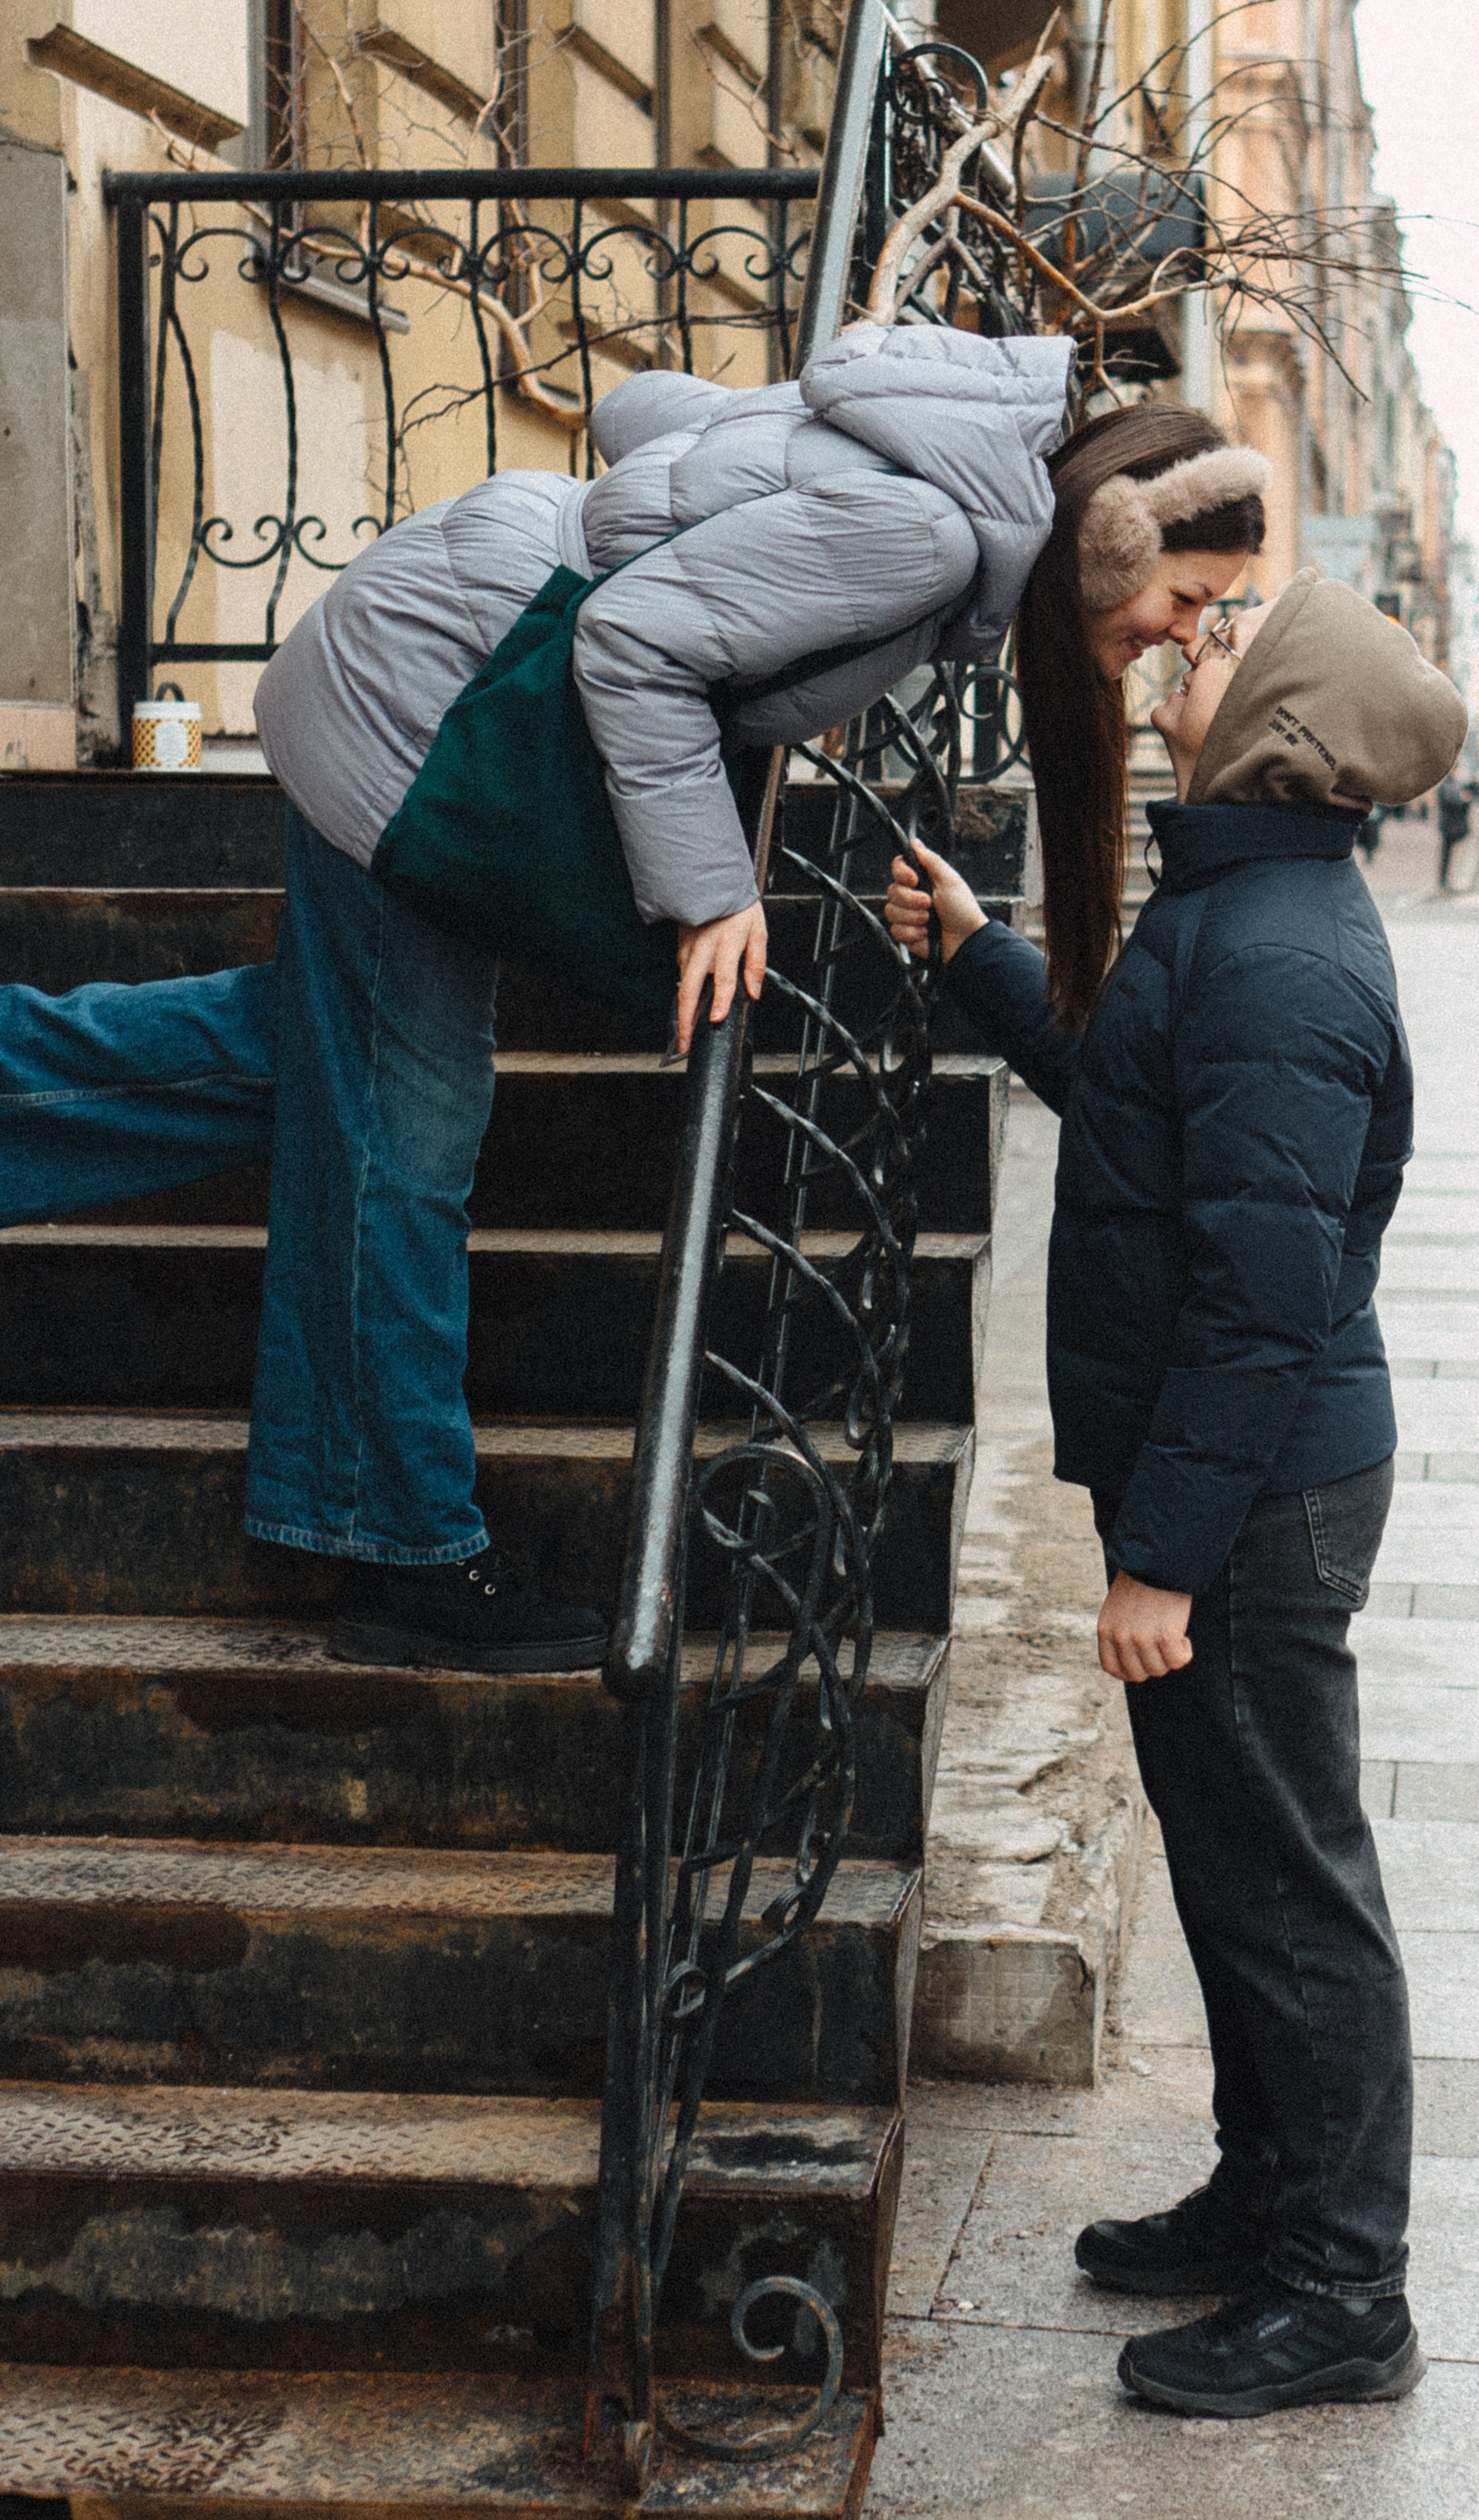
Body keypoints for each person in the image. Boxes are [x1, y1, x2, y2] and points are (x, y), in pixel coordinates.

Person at [0, 320, 1093, 1672]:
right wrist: (713, 891)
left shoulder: (901, 435)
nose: (1172, 634)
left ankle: (356, 1506)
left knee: (321, 1067)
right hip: (422, 709)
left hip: (415, 652)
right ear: (1106, 553)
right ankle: (399, 1551)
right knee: (405, 1129)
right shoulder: (929, 533)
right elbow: (632, 641)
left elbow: (641, 413)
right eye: (1180, 600)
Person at [886, 562, 1468, 2421]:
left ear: (1277, 716)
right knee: (1232, 1867)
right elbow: (1131, 1102)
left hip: (1256, 1493)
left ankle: (1341, 2289)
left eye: (1221, 640)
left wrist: (1158, 1559)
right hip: (1228, 1480)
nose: (1181, 647)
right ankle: (1263, 2190)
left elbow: (1262, 1295)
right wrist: (988, 950)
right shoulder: (1228, 899)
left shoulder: (1283, 951)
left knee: (1294, 1885)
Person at [1435, 765, 1475, 887]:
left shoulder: (1452, 783)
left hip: (1451, 824)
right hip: (1450, 825)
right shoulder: (1448, 784)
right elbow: (1452, 801)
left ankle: (1446, 880)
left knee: (1448, 853)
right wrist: (1464, 799)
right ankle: (1445, 881)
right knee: (1448, 853)